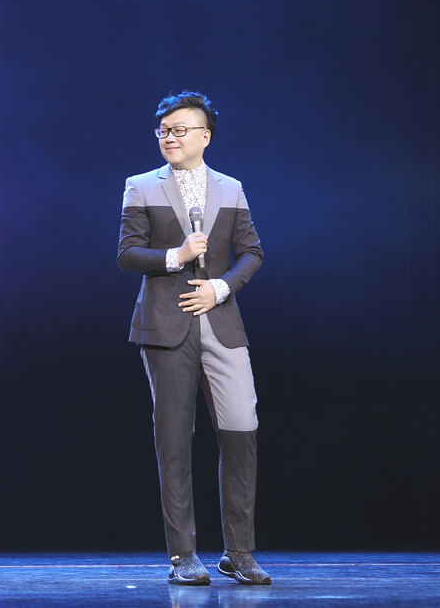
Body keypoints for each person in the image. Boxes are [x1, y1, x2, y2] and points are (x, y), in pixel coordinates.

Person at [117, 91, 271, 586]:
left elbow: (251, 252)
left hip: (222, 323)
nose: (170, 137)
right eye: (164, 130)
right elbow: (127, 254)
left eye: (180, 130)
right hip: (166, 326)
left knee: (242, 429)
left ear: (205, 136)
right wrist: (177, 256)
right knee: (174, 439)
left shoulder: (231, 188)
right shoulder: (141, 185)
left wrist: (221, 287)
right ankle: (183, 555)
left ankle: (238, 552)